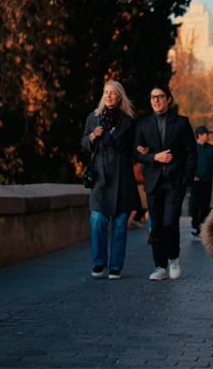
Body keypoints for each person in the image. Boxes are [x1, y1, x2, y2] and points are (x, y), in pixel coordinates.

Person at [134, 85, 197, 281]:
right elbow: (136, 153)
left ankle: (173, 259)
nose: (156, 100)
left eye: (160, 97)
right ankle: (159, 266)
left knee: (170, 223)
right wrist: (155, 157)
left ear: (168, 99)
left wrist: (186, 178)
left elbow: (191, 153)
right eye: (152, 97)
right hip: (153, 182)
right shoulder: (143, 125)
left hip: (174, 182)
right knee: (157, 226)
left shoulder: (181, 123)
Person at [82, 81, 141, 280]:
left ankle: (116, 266)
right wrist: (92, 136)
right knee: (97, 219)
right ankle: (99, 263)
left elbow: (136, 146)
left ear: (119, 97)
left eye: (113, 93)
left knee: (120, 222)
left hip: (122, 171)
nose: (108, 96)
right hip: (100, 173)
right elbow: (84, 141)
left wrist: (143, 151)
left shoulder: (129, 122)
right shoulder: (94, 118)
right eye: (106, 92)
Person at [189, 126, 213, 239]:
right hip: (196, 181)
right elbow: (187, 163)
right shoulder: (192, 147)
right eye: (207, 134)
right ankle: (195, 225)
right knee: (195, 203)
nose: (208, 136)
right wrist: (191, 174)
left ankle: (203, 227)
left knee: (205, 204)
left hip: (207, 180)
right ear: (200, 135)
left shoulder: (211, 148)